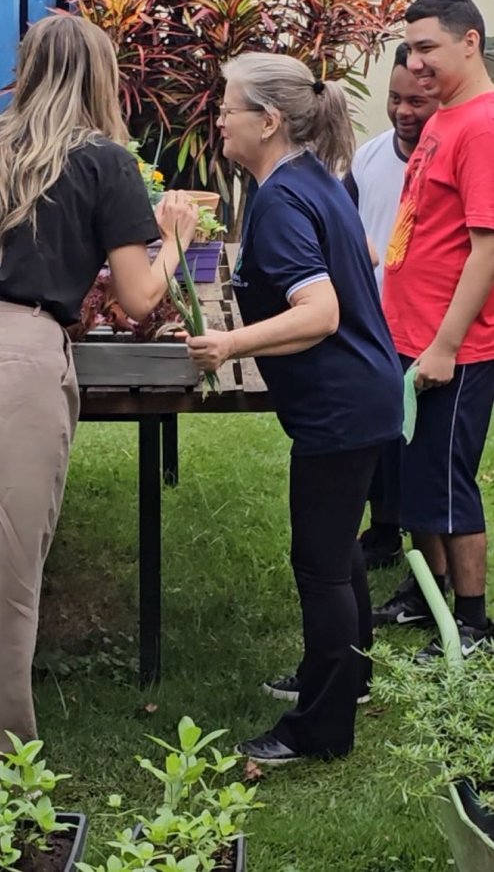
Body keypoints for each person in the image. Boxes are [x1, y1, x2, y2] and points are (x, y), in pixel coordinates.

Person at [0, 14, 198, 812]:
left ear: (25, 71)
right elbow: (136, 297)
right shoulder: (106, 161)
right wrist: (172, 240)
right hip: (15, 362)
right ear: (103, 76)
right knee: (7, 581)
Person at [184, 52, 402, 765]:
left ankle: (321, 729)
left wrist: (230, 343)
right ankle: (343, 681)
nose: (218, 119)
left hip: (339, 408)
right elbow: (362, 250)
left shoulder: (282, 198)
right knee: (337, 555)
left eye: (228, 108)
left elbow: (321, 310)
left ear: (269, 120)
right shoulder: (311, 178)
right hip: (364, 395)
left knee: (320, 565)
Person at [377, 0, 494, 653]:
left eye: (427, 48)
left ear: (469, 41)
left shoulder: (481, 125)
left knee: (448, 485)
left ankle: (474, 624)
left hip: (456, 347)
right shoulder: (446, 117)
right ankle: (429, 598)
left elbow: (487, 247)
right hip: (408, 337)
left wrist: (446, 345)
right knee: (417, 481)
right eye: (411, 48)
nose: (415, 64)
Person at [344, 43, 439, 571]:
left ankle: (424, 549)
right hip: (371, 320)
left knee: (416, 443)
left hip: (426, 326)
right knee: (377, 434)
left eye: (417, 102)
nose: (403, 112)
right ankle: (382, 530)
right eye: (394, 98)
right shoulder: (370, 156)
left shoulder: (453, 159)